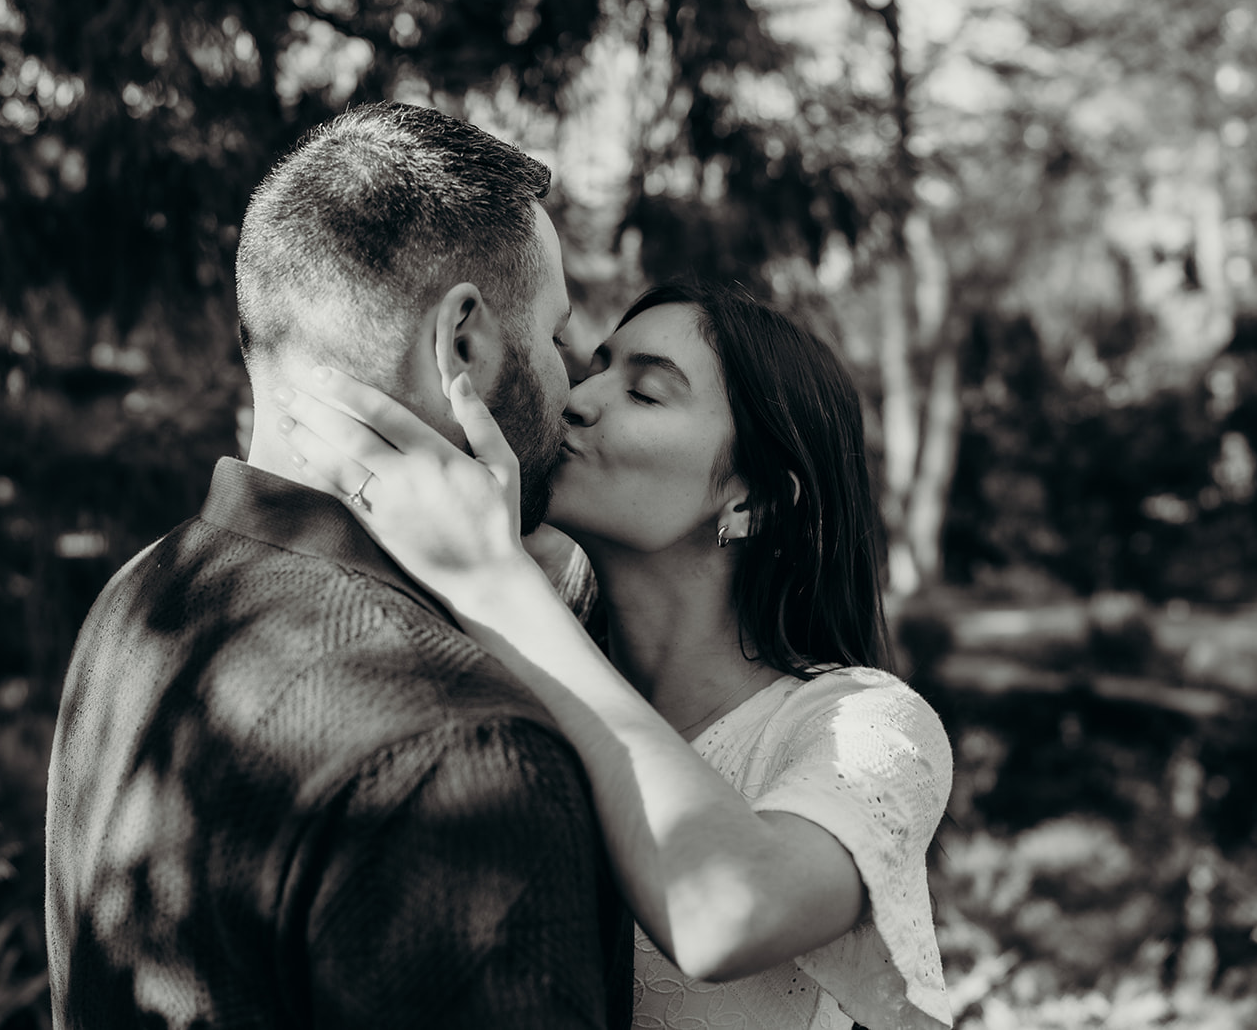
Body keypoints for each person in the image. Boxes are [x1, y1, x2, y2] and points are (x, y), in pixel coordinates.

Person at [44, 102, 633, 1030]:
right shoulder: (461, 747)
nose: (571, 380)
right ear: (463, 344)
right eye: (556, 335)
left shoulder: (139, 592)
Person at [269, 282, 956, 1030]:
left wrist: (499, 584)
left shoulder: (869, 727)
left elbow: (727, 912)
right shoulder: (503, 665)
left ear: (752, 501)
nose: (578, 398)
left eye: (646, 393)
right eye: (595, 366)